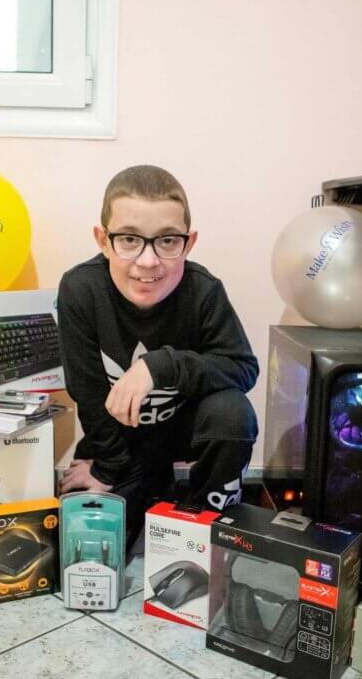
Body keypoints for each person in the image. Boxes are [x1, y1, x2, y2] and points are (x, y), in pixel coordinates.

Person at [57, 165, 259, 553]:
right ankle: (147, 486)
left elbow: (242, 367)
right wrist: (107, 467)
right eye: (129, 239)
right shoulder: (81, 289)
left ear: (189, 242)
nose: (148, 261)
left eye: (167, 240)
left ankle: (205, 519)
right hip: (119, 443)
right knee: (89, 552)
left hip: (185, 434)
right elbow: (87, 390)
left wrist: (160, 366)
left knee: (233, 415)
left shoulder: (203, 290)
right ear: (102, 240)